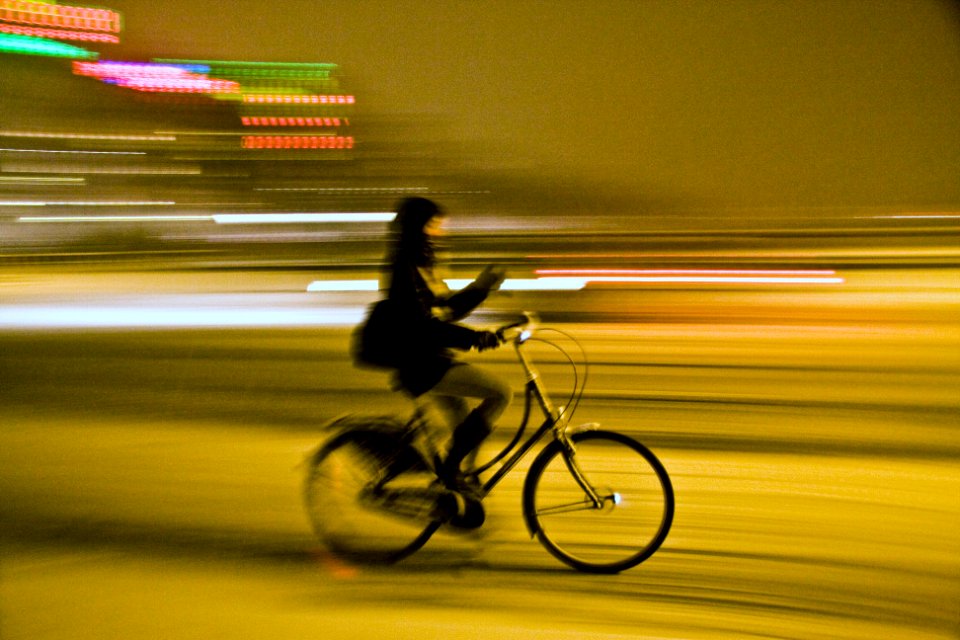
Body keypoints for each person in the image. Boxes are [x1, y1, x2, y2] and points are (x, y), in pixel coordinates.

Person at [374, 197, 512, 488]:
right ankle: (450, 474)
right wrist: (474, 338)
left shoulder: (422, 263)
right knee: (500, 394)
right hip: (421, 362)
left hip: (432, 358)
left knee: (465, 428)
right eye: (434, 226)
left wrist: (481, 287)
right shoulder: (405, 268)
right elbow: (421, 325)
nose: (441, 233)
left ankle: (456, 487)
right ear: (418, 227)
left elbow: (447, 310)